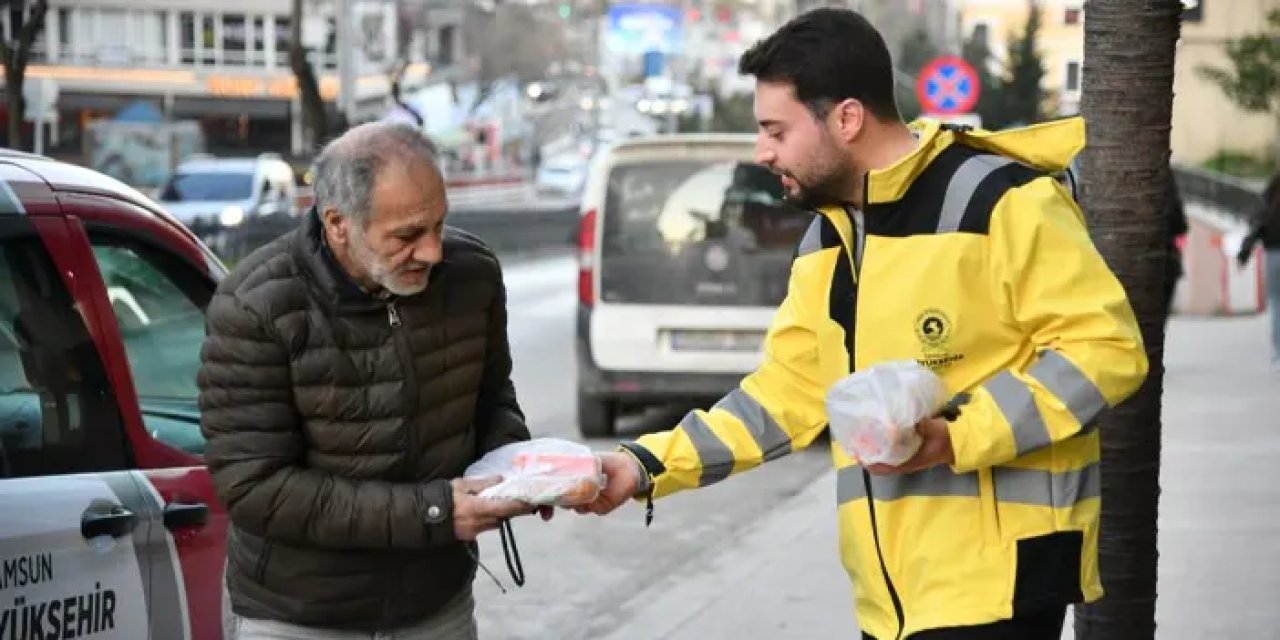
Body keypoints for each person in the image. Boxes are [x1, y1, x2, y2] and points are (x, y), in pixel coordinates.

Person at [580, 9, 1149, 640]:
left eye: (776, 130)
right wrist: (645, 466)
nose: (762, 152)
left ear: (847, 119)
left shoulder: (1003, 201)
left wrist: (955, 436)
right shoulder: (829, 238)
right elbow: (784, 397)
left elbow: (1106, 349)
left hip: (1003, 590)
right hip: (892, 602)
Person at [199, 121, 544, 640]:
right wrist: (433, 511)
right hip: (299, 618)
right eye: (407, 236)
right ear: (338, 223)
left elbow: (492, 397)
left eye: (438, 225)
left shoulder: (471, 273)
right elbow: (255, 486)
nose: (432, 251)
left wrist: (520, 470)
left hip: (436, 605)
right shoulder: (255, 306)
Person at [1236, 170, 1280, 372]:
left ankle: (1278, 353)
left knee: (1276, 302)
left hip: (1273, 255)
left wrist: (1243, 255)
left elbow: (1257, 226)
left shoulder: (1271, 200)